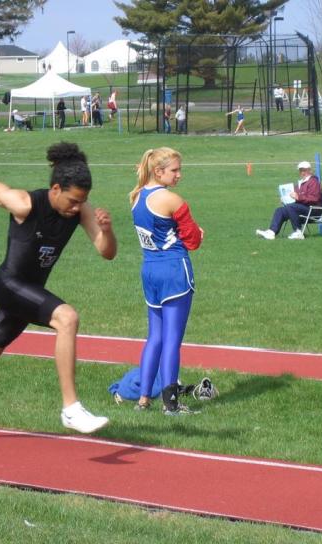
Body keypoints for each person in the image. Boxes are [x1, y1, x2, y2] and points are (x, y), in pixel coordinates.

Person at [0, 142, 117, 434]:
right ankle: (71, 408)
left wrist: (106, 230)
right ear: (55, 189)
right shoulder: (24, 203)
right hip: (7, 284)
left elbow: (107, 252)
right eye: (73, 201)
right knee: (67, 318)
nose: (77, 207)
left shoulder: (81, 211)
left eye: (83, 201)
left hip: (30, 291)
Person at [129, 147, 204, 414]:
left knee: (155, 337)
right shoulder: (171, 199)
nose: (179, 175)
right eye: (174, 170)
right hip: (174, 270)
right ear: (158, 171)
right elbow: (193, 240)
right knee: (172, 339)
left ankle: (143, 399)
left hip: (149, 270)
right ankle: (171, 404)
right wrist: (199, 234)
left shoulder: (136, 196)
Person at [256, 161, 322, 241]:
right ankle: (272, 232)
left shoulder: (313, 182)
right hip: (302, 208)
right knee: (280, 210)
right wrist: (286, 199)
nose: (302, 172)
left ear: (310, 170)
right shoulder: (301, 183)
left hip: (313, 210)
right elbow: (298, 199)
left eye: (304, 170)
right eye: (301, 170)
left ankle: (298, 232)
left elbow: (314, 199)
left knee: (291, 207)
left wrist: (299, 197)